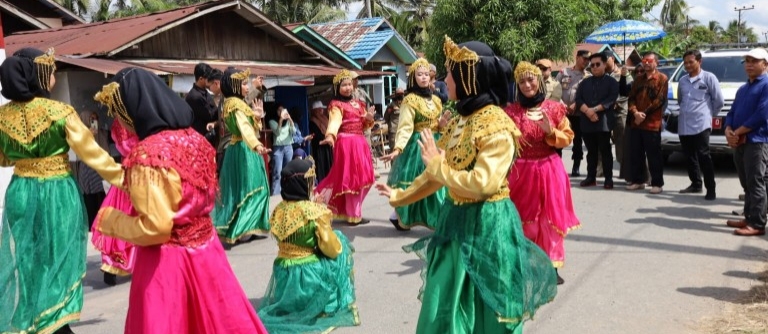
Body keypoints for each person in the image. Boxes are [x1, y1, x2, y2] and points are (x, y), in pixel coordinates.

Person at [376, 36, 557, 333]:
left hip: (488, 225)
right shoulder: (461, 120)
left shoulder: (496, 124)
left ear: (469, 77)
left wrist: (437, 165)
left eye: (451, 73)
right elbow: (436, 173)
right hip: (455, 220)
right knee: (446, 300)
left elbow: (483, 184)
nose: (444, 79)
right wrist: (401, 194)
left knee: (487, 300)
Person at [93, 67, 268, 334]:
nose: (120, 120)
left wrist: (112, 221)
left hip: (167, 264)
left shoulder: (147, 154)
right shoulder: (195, 140)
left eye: (120, 111)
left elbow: (155, 228)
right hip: (208, 254)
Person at [0, 48, 123, 334]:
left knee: (30, 260)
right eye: (51, 71)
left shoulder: (2, 117)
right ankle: (54, 324)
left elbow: (4, 158)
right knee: (59, 258)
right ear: (39, 75)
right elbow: (92, 155)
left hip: (20, 192)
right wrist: (126, 179)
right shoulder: (60, 112)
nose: (54, 76)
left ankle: (34, 320)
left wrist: (25, 157)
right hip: (56, 192)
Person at [257, 159, 359, 333]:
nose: (312, 186)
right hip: (307, 276)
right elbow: (332, 249)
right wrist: (318, 210)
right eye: (310, 182)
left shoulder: (279, 210)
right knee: (341, 242)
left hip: (283, 275)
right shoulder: (314, 212)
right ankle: (326, 303)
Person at [504, 61, 580, 285]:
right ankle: (525, 263)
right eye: (522, 81)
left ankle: (552, 266)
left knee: (549, 220)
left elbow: (568, 136)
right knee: (524, 220)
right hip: (521, 172)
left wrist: (551, 131)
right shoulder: (510, 112)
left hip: (549, 169)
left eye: (531, 79)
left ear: (538, 80)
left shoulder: (554, 108)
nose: (527, 85)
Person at [380, 58, 446, 231]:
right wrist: (398, 148)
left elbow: (438, 122)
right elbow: (405, 126)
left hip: (436, 142)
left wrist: (443, 125)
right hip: (417, 144)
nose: (424, 78)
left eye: (426, 74)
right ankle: (402, 216)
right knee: (414, 182)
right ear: (413, 77)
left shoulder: (437, 100)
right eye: (419, 74)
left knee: (437, 181)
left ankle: (438, 220)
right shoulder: (410, 100)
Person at [213, 67, 271, 246]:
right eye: (244, 83)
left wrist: (258, 116)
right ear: (235, 85)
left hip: (242, 148)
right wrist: (256, 144)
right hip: (244, 149)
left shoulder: (237, 102)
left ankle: (251, 225)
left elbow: (249, 125)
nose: (247, 87)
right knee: (249, 188)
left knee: (249, 188)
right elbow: (244, 127)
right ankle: (244, 227)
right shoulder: (235, 104)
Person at [314, 69, 376, 225]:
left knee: (365, 178)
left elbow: (365, 125)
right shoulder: (336, 105)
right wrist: (330, 136)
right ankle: (353, 214)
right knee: (351, 179)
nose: (348, 88)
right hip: (346, 143)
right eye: (344, 85)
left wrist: (368, 118)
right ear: (337, 88)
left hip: (360, 143)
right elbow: (334, 122)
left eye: (350, 84)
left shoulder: (358, 104)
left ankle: (353, 211)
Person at [724, 48, 768, 237]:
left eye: (754, 61)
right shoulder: (744, 88)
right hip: (740, 141)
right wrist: (728, 129)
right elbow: (732, 112)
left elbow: (762, 114)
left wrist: (738, 131)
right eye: (747, 61)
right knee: (747, 183)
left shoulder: (766, 84)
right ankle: (749, 217)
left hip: (757, 140)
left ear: (765, 64)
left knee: (756, 182)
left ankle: (757, 223)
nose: (749, 64)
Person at [90, 119, 139, 287]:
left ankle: (114, 265)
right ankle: (115, 263)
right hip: (134, 171)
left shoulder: (120, 120)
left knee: (121, 215)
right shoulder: (132, 117)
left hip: (128, 170)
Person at [677, 49, 724, 200]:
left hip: (701, 124)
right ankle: (696, 184)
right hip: (684, 124)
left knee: (704, 156)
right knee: (689, 156)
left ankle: (711, 189)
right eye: (685, 63)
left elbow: (719, 101)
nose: (688, 65)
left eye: (691, 62)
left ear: (699, 61)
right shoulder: (683, 80)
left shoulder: (709, 78)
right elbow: (680, 100)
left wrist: (708, 114)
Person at [574, 52, 619, 189]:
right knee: (591, 151)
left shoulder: (612, 82)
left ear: (605, 64)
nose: (594, 67)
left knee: (605, 151)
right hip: (587, 120)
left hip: (603, 120)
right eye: (592, 65)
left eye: (597, 64)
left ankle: (608, 178)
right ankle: (591, 177)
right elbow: (578, 99)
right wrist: (588, 111)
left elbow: (611, 99)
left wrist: (594, 110)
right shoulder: (585, 82)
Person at [627, 52, 668, 194]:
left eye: (649, 60)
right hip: (636, 122)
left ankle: (657, 183)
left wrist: (643, 114)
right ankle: (638, 180)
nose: (646, 63)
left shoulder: (662, 78)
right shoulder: (638, 79)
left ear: (656, 62)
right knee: (636, 153)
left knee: (654, 155)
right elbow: (631, 98)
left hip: (652, 123)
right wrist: (635, 112)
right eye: (644, 60)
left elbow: (660, 100)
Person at [556, 50, 591, 176]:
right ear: (577, 57)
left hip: (578, 114)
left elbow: (588, 96)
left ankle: (576, 166)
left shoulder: (588, 77)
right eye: (584, 58)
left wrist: (576, 104)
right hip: (563, 113)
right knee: (559, 139)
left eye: (588, 60)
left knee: (577, 142)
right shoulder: (564, 72)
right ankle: (557, 166)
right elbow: (555, 90)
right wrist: (563, 104)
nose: (586, 62)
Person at [186, 62, 218, 146]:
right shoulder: (195, 96)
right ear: (201, 79)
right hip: (201, 140)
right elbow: (210, 115)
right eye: (208, 78)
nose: (211, 80)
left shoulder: (205, 92)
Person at [269, 104, 296, 195]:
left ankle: (287, 191)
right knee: (277, 172)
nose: (282, 112)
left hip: (288, 147)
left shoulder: (288, 121)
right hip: (278, 149)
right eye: (279, 111)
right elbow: (277, 132)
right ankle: (276, 194)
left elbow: (294, 132)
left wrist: (290, 119)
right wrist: (281, 119)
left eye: (283, 110)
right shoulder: (272, 121)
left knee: (288, 171)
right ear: (277, 112)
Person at [308, 100, 333, 182]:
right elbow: (316, 134)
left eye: (322, 109)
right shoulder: (312, 121)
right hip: (319, 147)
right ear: (316, 110)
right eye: (320, 109)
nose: (322, 111)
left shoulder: (324, 118)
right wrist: (325, 138)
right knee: (321, 164)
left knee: (328, 163)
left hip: (327, 145)